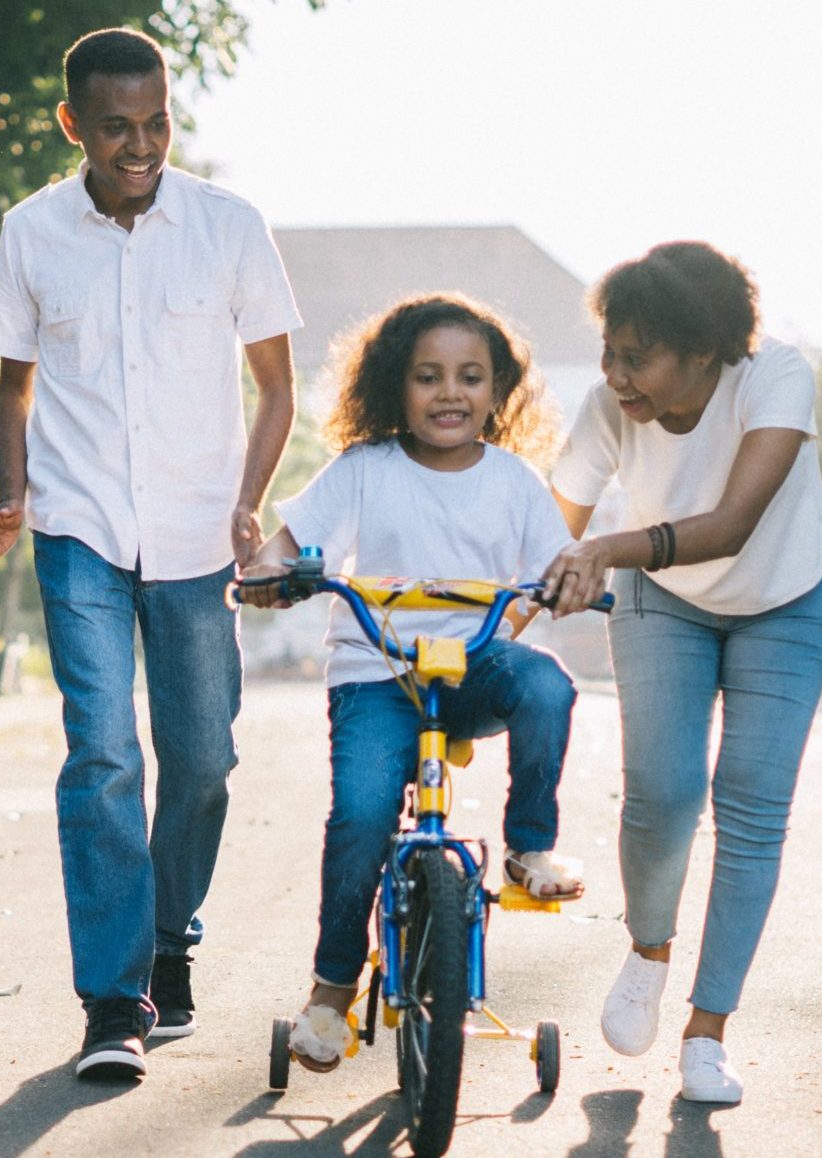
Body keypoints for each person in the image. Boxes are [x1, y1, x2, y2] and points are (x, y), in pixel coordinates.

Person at [0, 26, 302, 1081]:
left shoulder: (228, 225)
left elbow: (277, 386)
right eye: (116, 128)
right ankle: (114, 1001)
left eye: (155, 122)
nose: (141, 144)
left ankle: (170, 940)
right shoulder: (31, 232)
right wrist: (14, 496)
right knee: (104, 753)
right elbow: (13, 388)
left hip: (199, 534)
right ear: (74, 125)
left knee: (202, 761)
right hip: (78, 531)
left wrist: (249, 504)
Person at [238, 294, 583, 1072]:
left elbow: (555, 565)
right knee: (361, 815)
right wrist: (269, 570)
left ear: (498, 392)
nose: (450, 393)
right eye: (428, 377)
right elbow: (291, 543)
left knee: (549, 687)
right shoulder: (364, 470)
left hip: (471, 668)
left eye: (470, 377)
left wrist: (569, 583)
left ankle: (530, 847)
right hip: (377, 675)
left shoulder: (517, 482)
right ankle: (330, 992)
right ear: (397, 386)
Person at [541, 241, 822, 1105]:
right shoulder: (609, 408)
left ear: (704, 351)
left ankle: (708, 1032)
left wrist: (604, 547)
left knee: (751, 801)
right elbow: (545, 531)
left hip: (789, 595)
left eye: (636, 356)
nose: (615, 374)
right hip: (663, 601)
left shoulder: (774, 379)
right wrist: (498, 617)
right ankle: (648, 950)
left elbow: (734, 522)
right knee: (664, 791)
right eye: (609, 351)